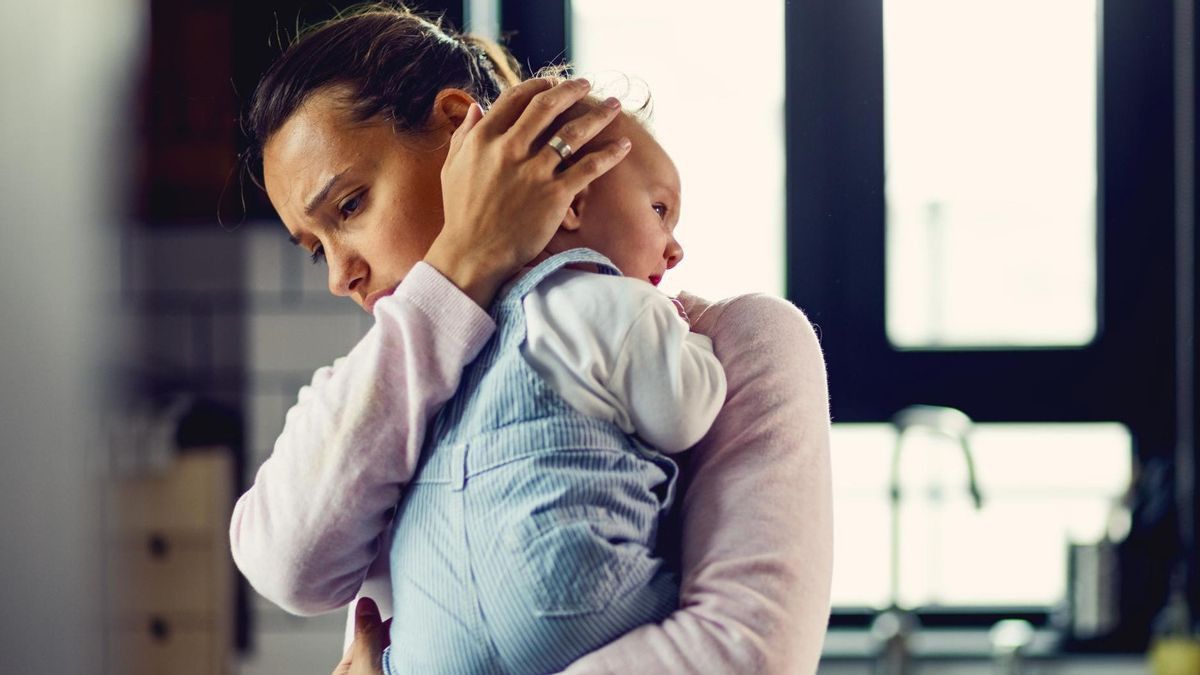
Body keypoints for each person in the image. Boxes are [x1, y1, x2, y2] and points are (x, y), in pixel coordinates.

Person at [231, 4, 833, 673]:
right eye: (317, 250)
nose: (342, 275)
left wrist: (462, 258)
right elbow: (291, 567)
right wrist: (457, 271)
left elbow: (746, 657)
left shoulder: (727, 341)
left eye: (350, 207)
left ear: (461, 126)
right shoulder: (369, 388)